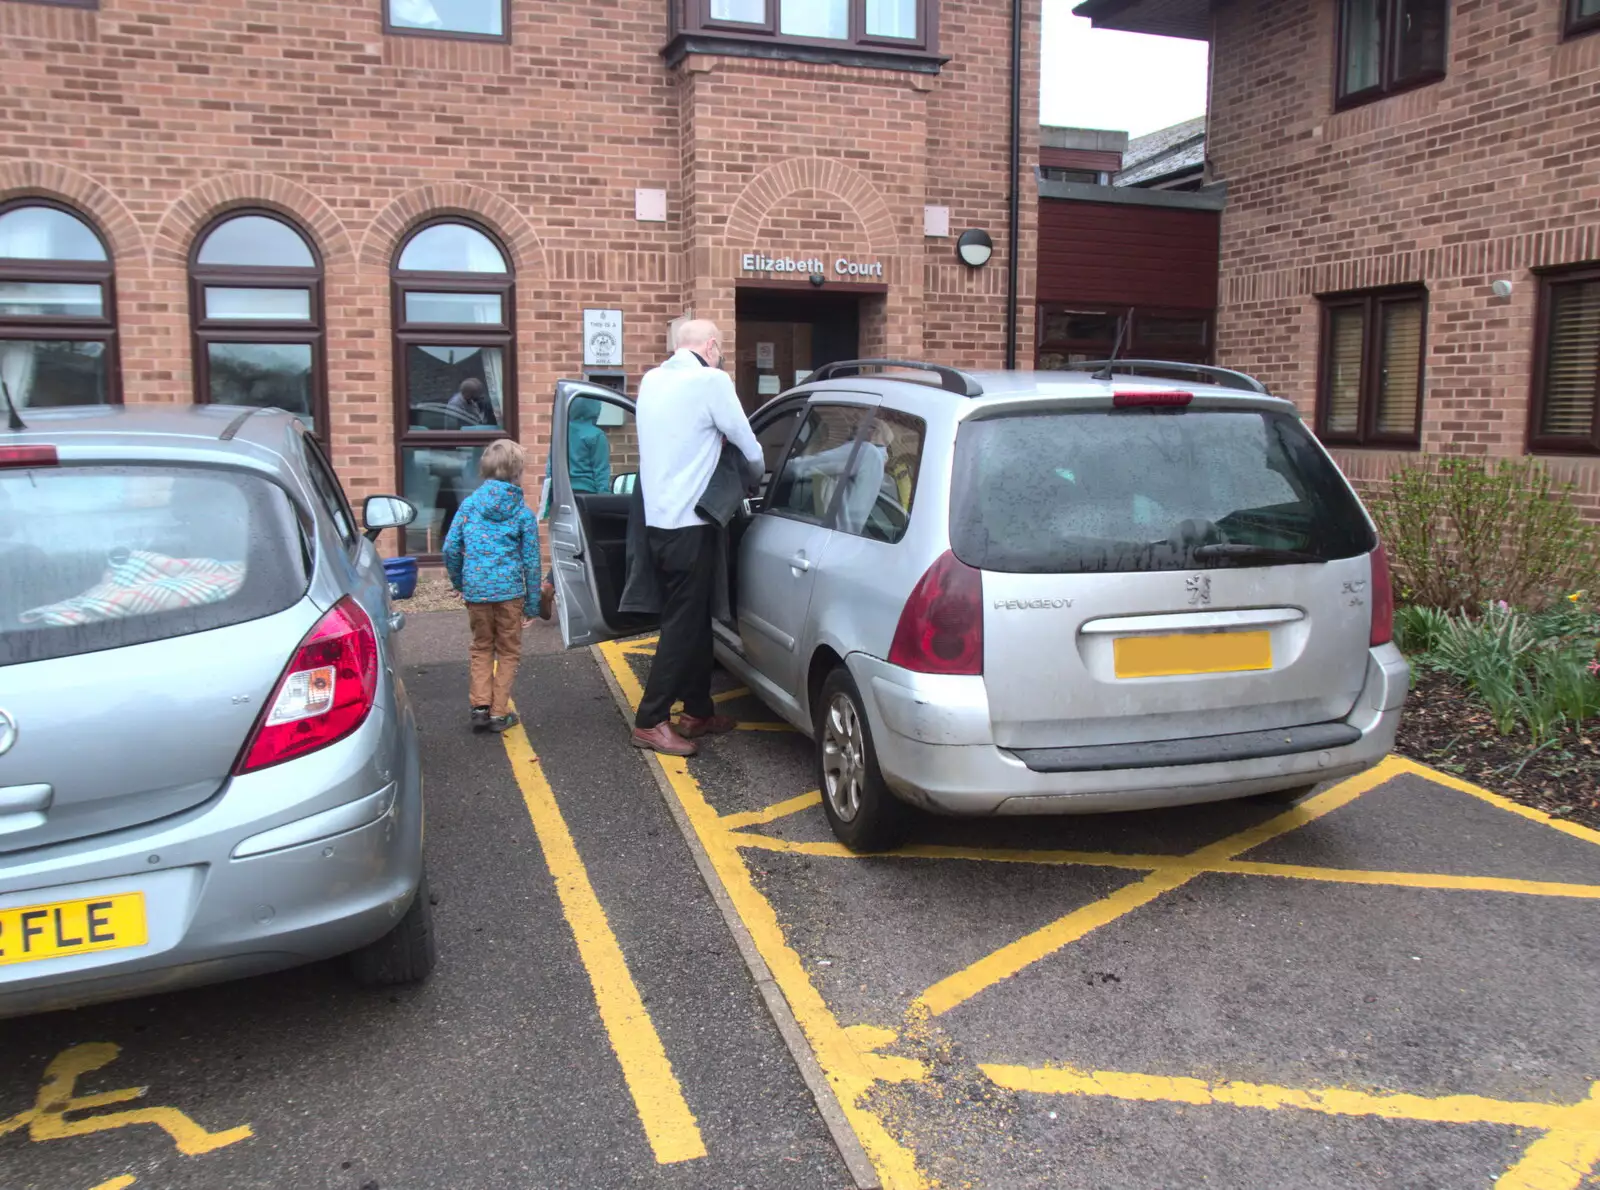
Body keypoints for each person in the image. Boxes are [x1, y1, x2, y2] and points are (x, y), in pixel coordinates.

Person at [630, 319, 762, 757]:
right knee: (682, 626)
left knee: (694, 616)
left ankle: (698, 711)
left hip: (656, 525)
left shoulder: (650, 381)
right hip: (693, 525)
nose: (721, 354)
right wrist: (754, 479)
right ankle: (651, 720)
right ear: (710, 346)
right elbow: (751, 449)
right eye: (720, 348)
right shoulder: (713, 381)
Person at [442, 438, 540, 734]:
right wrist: (533, 604)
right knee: (508, 651)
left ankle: (480, 706)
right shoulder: (523, 514)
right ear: (517, 473)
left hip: (476, 592)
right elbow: (532, 563)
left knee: (481, 646)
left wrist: (459, 581)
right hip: (510, 594)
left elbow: (450, 548)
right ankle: (499, 713)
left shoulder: (469, 506)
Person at [538, 395, 613, 619]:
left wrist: (550, 500)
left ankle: (550, 586)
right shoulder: (595, 435)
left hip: (561, 495)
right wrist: (606, 503)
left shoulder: (560, 433)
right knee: (586, 550)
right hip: (586, 497)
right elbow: (601, 473)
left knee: (567, 547)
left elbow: (551, 468)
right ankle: (564, 591)